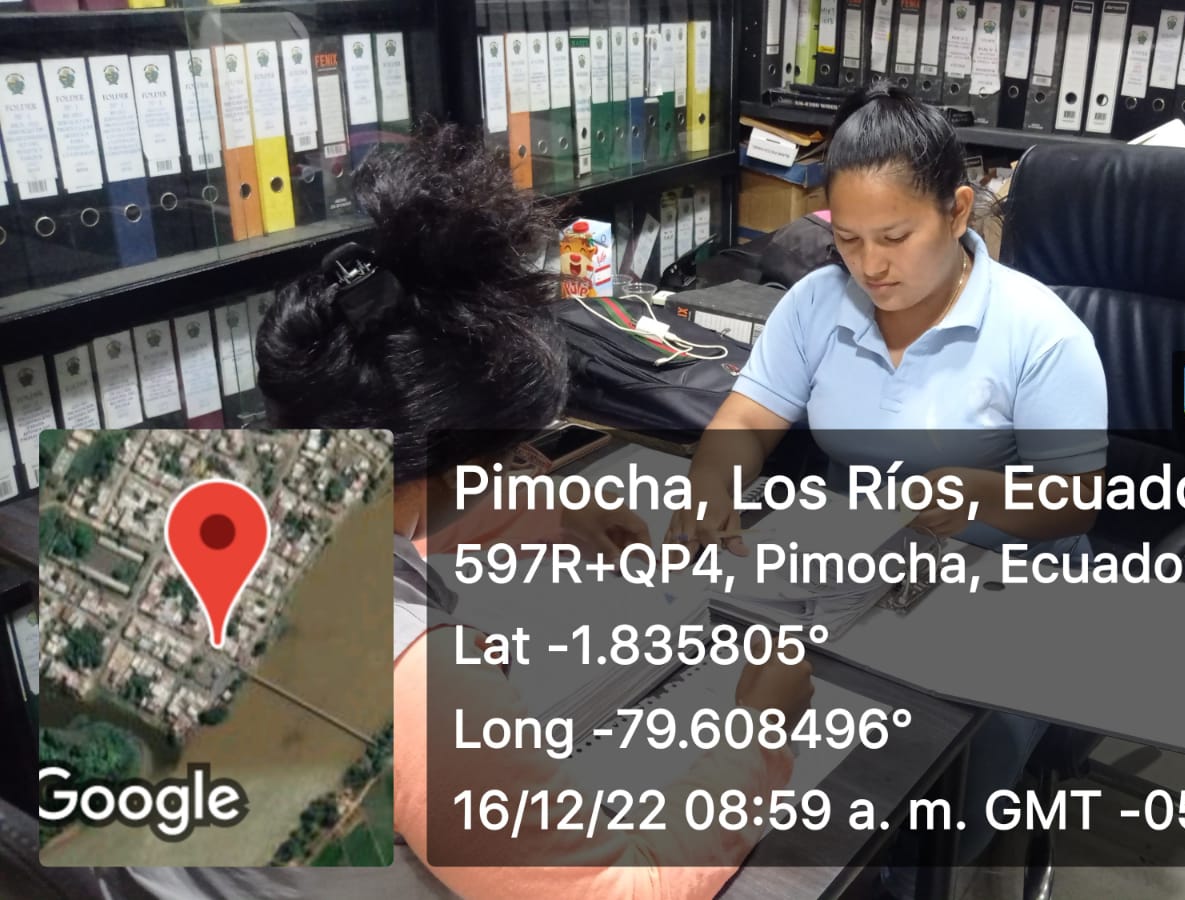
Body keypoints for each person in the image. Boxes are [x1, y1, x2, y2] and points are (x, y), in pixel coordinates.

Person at [55, 124, 814, 900]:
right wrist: (758, 734)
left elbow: (400, 509)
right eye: (513, 454)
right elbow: (615, 892)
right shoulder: (411, 673)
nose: (520, 466)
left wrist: (553, 513)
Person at [666, 86, 1108, 893]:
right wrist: (713, 486)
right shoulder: (816, 303)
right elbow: (745, 420)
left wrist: (977, 493)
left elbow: (1072, 504)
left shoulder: (1041, 334)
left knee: (923, 781)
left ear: (958, 211)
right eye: (849, 240)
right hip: (854, 571)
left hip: (1005, 588)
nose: (870, 266)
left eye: (896, 238)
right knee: (745, 713)